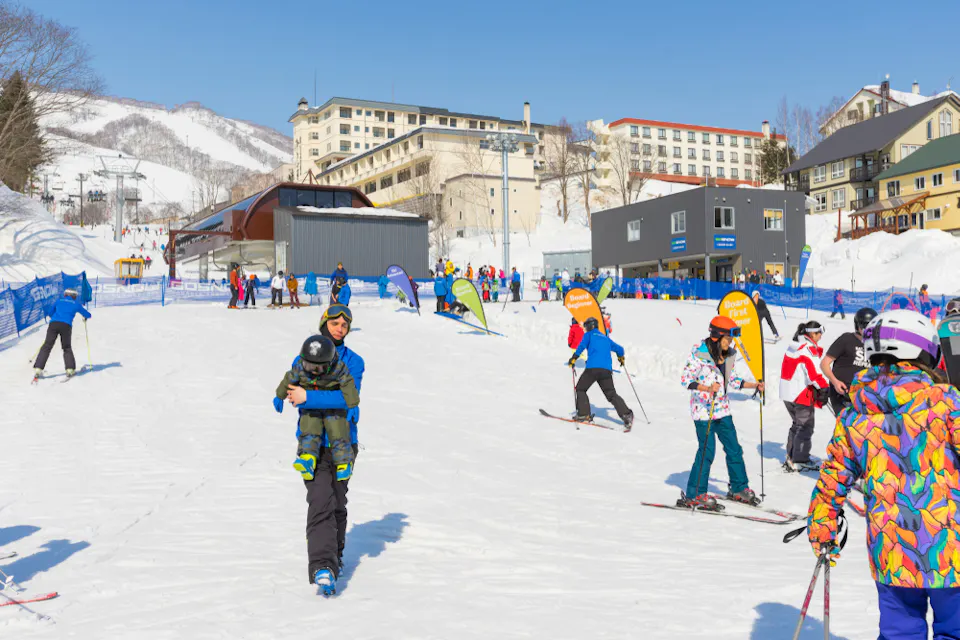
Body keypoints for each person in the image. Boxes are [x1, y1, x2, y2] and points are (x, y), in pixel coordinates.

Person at [806, 309, 960, 640]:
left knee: (900, 632)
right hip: (952, 550)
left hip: (893, 550)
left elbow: (831, 480)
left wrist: (822, 529)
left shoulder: (853, 413)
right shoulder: (946, 402)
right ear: (925, 353)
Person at [283, 305, 364, 597]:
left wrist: (309, 396)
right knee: (320, 501)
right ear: (324, 323)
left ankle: (335, 556)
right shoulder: (304, 355)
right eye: (335, 322)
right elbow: (294, 394)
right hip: (313, 445)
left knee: (338, 503)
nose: (339, 327)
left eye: (345, 324)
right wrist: (297, 396)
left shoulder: (354, 361)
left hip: (344, 444)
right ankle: (322, 567)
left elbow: (347, 397)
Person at [678, 316, 765, 510]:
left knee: (734, 448)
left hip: (722, 410)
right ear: (717, 336)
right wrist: (707, 388)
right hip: (703, 412)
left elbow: (731, 380)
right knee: (707, 451)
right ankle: (695, 493)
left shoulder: (727, 355)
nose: (731, 342)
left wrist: (753, 384)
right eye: (728, 338)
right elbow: (685, 380)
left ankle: (738, 488)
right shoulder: (698, 354)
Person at [275, 335, 358, 485]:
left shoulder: (338, 368)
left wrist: (353, 404)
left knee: (338, 429)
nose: (313, 371)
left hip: (332, 408)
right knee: (309, 426)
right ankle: (307, 459)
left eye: (319, 367)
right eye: (309, 366)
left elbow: (348, 384)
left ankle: (344, 463)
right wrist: (279, 396)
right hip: (311, 407)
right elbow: (289, 379)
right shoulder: (300, 367)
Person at [568, 317, 634, 430]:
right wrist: (621, 357)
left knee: (580, 388)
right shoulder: (605, 338)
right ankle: (627, 414)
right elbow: (620, 349)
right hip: (606, 370)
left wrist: (574, 358)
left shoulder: (588, 335)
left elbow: (581, 346)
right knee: (611, 394)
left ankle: (584, 414)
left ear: (589, 326)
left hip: (592, 369)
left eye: (586, 326)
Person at [780, 320, 829, 472]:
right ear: (812, 334)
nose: (821, 335)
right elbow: (814, 375)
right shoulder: (807, 350)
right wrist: (824, 389)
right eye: (820, 332)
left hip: (787, 392)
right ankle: (800, 459)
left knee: (797, 424)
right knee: (805, 426)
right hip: (800, 394)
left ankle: (792, 455)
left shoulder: (795, 345)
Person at [820, 307, 875, 416]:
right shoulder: (846, 340)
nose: (868, 330)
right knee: (848, 427)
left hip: (863, 396)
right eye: (864, 326)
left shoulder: (876, 345)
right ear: (857, 326)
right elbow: (824, 364)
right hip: (842, 394)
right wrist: (835, 382)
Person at [33, 288, 91, 379]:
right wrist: (85, 316)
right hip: (66, 326)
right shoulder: (76, 304)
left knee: (47, 345)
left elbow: (50, 313)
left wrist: (56, 317)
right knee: (66, 347)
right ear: (74, 296)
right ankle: (70, 369)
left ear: (65, 294)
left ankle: (38, 368)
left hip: (53, 324)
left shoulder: (58, 301)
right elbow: (88, 314)